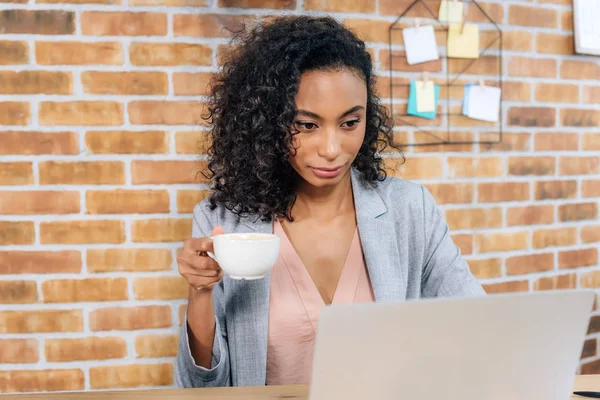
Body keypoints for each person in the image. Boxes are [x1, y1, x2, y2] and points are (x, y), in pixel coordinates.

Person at [175, 15, 485, 389]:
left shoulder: (410, 211)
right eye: (307, 125)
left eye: (350, 123)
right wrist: (200, 290)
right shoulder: (224, 221)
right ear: (269, 122)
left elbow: (476, 324)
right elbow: (202, 387)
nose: (333, 149)